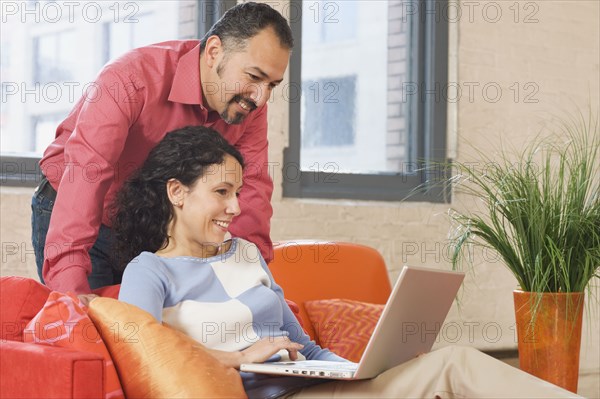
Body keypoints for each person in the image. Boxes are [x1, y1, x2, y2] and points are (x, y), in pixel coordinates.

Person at [116, 126, 581, 399]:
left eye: (237, 193)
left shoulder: (246, 254)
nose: (236, 208)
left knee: (449, 364)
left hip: (317, 388)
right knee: (455, 367)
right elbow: (143, 353)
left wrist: (356, 368)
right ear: (177, 192)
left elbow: (308, 351)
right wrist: (238, 358)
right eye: (221, 192)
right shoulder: (148, 271)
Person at [31, 2, 292, 295]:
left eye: (272, 84)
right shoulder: (130, 78)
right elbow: (88, 171)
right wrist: (73, 295)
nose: (260, 97)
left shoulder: (249, 106)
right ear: (214, 51)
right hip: (77, 205)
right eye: (254, 77)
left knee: (145, 327)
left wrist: (252, 280)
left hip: (147, 220)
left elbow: (252, 188)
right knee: (93, 326)